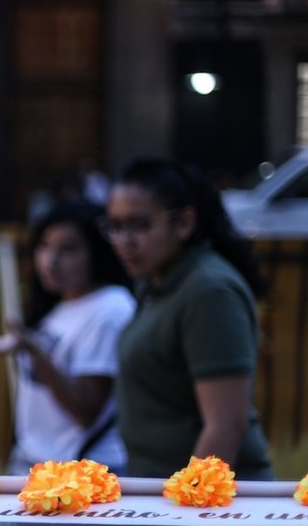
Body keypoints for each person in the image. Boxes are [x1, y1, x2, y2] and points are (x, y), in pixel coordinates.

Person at [103, 158, 273, 480]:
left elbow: (226, 426)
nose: (125, 240)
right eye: (115, 226)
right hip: (156, 491)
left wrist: (188, 503)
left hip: (210, 502)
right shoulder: (153, 282)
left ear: (183, 223)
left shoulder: (209, 292)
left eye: (140, 225)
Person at [0, 200, 134, 475]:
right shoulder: (61, 302)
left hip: (81, 476)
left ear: (97, 252)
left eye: (68, 249)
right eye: (44, 246)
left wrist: (36, 354)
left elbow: (86, 411)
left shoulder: (109, 308)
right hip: (38, 465)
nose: (50, 260)